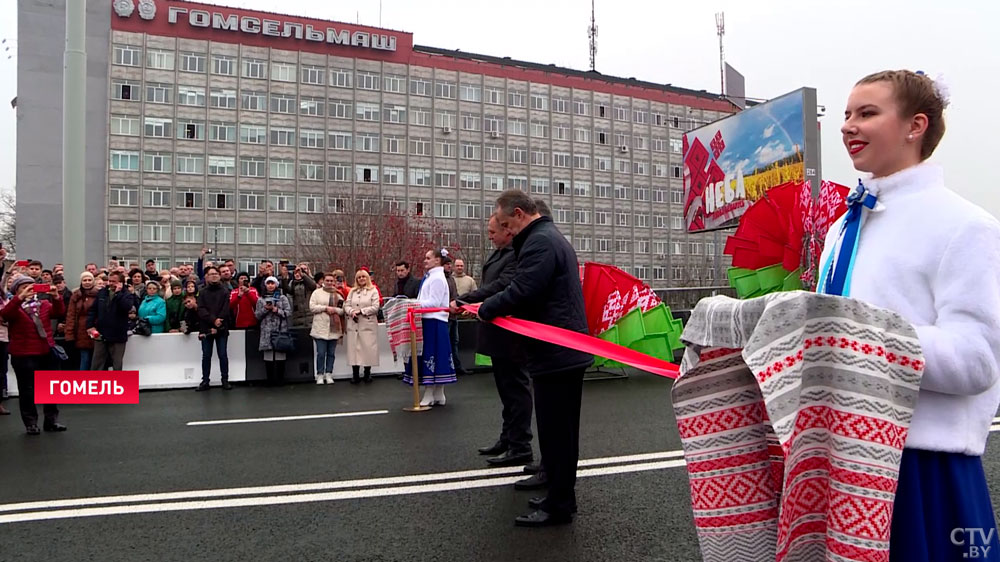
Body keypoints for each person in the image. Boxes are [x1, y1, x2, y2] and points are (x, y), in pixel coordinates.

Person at [817, 70, 1000, 561]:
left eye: (867, 113)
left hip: (924, 470)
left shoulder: (967, 226)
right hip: (836, 457)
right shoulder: (840, 229)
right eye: (847, 115)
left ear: (915, 126)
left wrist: (858, 337)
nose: (848, 126)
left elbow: (978, 361)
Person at [479, 190, 592, 528]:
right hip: (560, 349)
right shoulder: (548, 237)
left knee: (558, 433)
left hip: (556, 351)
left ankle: (559, 505)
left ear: (518, 214)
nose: (506, 231)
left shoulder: (540, 242)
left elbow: (525, 288)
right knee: (558, 432)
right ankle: (558, 494)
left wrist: (487, 308)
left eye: (505, 224)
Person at [454, 215, 533, 467]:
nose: (490, 236)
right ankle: (508, 438)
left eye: (492, 232)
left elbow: (500, 286)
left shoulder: (515, 254)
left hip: (511, 335)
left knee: (516, 390)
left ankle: (521, 445)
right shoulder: (499, 252)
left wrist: (465, 300)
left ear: (507, 231)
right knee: (505, 391)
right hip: (497, 333)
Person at [1, 275, 67, 434]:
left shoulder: (43, 304)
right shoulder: (13, 306)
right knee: (27, 390)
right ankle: (31, 423)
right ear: (16, 290)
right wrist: (19, 298)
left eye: (32, 287)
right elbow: (5, 315)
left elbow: (59, 312)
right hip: (23, 353)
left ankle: (51, 421)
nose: (29, 290)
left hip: (46, 350)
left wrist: (57, 297)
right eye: (24, 287)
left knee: (51, 388)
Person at [404, 249, 456, 405]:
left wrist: (412, 304)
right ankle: (437, 393)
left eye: (428, 258)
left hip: (434, 321)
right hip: (428, 320)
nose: (425, 260)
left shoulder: (437, 279)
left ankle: (432, 392)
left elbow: (434, 302)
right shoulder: (431, 277)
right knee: (433, 354)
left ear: (437, 261)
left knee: (432, 355)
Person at [87, 271, 137, 371]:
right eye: (109, 281)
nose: (110, 283)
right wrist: (90, 325)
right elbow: (93, 310)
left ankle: (117, 383)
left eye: (114, 281)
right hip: (101, 333)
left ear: (121, 282)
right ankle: (95, 384)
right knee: (97, 362)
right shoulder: (102, 292)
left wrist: (118, 294)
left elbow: (126, 307)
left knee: (117, 363)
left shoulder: (126, 294)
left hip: (118, 334)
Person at [196, 266, 232, 391]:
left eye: (216, 273)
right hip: (206, 328)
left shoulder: (225, 291)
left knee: (223, 354)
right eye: (211, 274)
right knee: (206, 355)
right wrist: (213, 320)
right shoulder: (202, 292)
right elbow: (201, 309)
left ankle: (225, 380)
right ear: (207, 276)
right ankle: (205, 380)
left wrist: (219, 320)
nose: (215, 276)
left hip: (222, 328)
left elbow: (226, 308)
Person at [343, 268, 380, 384]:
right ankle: (355, 374)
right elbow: (346, 305)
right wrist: (351, 312)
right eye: (359, 277)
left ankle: (367, 374)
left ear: (367, 278)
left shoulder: (373, 291)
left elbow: (375, 307)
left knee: (367, 348)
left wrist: (361, 311)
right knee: (354, 349)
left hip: (367, 323)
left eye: (363, 276)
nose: (361, 279)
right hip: (354, 323)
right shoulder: (352, 291)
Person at [255, 276, 292, 386]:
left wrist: (277, 310)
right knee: (268, 356)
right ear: (265, 285)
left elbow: (288, 313)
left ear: (276, 285)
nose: (270, 286)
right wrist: (265, 309)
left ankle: (280, 379)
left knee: (280, 355)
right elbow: (257, 315)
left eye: (272, 283)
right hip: (267, 331)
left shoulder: (282, 298)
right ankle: (270, 379)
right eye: (268, 283)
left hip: (280, 329)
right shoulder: (261, 299)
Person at [309, 272, 345, 385]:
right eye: (327, 280)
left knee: (331, 353)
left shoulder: (338, 294)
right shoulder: (316, 293)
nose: (329, 282)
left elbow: (342, 310)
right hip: (320, 328)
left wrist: (334, 310)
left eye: (331, 281)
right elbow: (312, 307)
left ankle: (329, 373)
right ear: (323, 281)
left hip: (333, 329)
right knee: (321, 353)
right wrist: (325, 308)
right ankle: (320, 374)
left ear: (334, 282)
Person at [65, 272, 99, 369]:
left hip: (96, 328)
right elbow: (70, 315)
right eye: (84, 280)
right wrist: (69, 334)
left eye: (89, 280)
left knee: (97, 359)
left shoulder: (100, 295)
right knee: (84, 358)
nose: (87, 282)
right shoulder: (76, 296)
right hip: (80, 331)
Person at [441, 257, 466, 376]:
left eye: (450, 264)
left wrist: (461, 305)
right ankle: (446, 367)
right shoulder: (441, 279)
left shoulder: (451, 279)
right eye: (446, 264)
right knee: (445, 343)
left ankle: (457, 366)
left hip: (453, 316)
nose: (449, 266)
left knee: (454, 342)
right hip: (445, 316)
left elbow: (455, 295)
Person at [289, 264, 318, 329]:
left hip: (309, 314)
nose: (299, 273)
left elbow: (313, 286)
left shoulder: (309, 282)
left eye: (304, 269)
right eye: (296, 272)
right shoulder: (292, 283)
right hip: (297, 315)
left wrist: (303, 275)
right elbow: (288, 290)